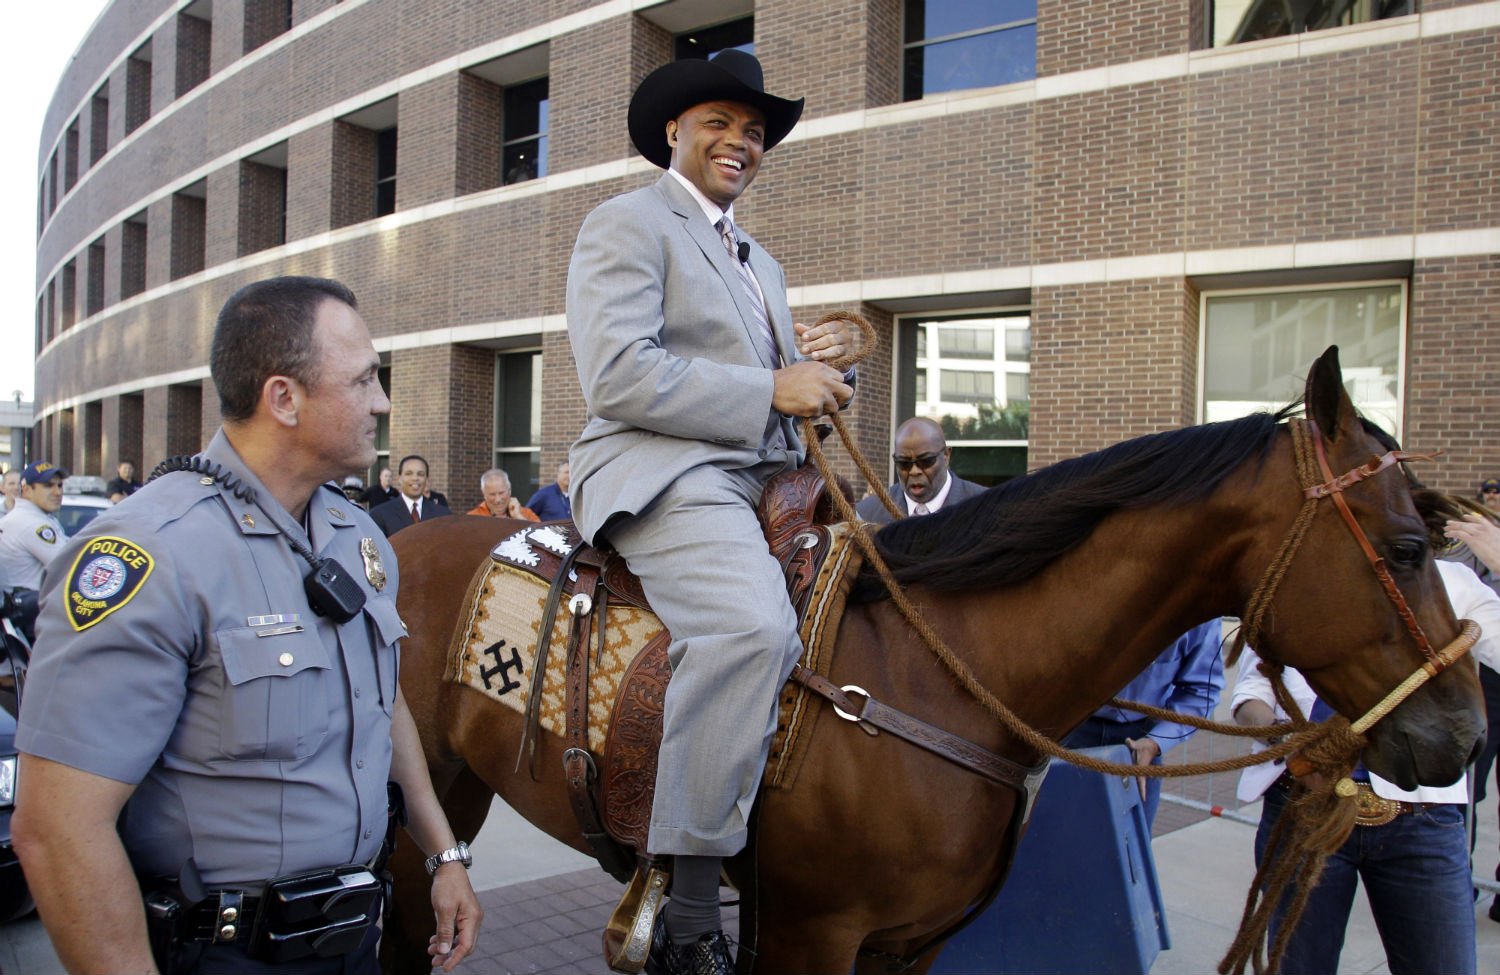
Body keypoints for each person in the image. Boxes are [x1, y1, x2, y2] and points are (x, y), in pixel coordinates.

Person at [11, 277, 482, 975]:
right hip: (225, 953)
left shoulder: (357, 537)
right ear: (284, 398)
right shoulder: (150, 554)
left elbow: (385, 710)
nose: (381, 402)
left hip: (355, 937)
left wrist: (444, 854)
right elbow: (57, 829)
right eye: (364, 380)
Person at [566, 49, 859, 974]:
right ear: (673, 132)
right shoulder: (625, 222)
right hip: (663, 468)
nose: (742, 142)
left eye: (756, 132)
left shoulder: (759, 259)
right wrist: (775, 384)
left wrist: (836, 367)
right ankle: (688, 905)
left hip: (765, 473)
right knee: (746, 628)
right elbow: (617, 373)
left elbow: (780, 385)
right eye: (720, 124)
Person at [1230, 558, 1500, 975]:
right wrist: (1284, 736)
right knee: (1296, 965)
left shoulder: (1449, 581)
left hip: (1420, 819)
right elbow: (1253, 691)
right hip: (1304, 811)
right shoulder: (1289, 579)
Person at [1061, 619, 1224, 825]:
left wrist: (1156, 743)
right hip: (1071, 729)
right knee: (1054, 835)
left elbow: (1201, 692)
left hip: (1139, 742)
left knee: (1130, 847)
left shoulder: (1202, 619)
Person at [855, 416, 986, 524]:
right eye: (904, 463)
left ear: (946, 455)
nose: (914, 471)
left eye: (925, 461)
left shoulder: (985, 508)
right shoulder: (866, 515)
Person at [0, 461, 69, 591]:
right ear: (27, 490)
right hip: (30, 607)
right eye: (48, 486)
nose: (58, 492)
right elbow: (69, 565)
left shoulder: (28, 517)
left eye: (59, 485)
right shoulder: (32, 523)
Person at [368, 454, 452, 537]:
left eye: (420, 474)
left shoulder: (443, 515)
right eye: (409, 473)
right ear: (399, 478)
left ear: (426, 479)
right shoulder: (380, 515)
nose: (415, 478)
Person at [467, 469, 538, 521]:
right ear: (484, 494)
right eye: (492, 494)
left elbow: (541, 539)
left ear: (509, 491)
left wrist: (518, 517)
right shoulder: (472, 517)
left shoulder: (526, 514)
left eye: (501, 493)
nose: (498, 499)